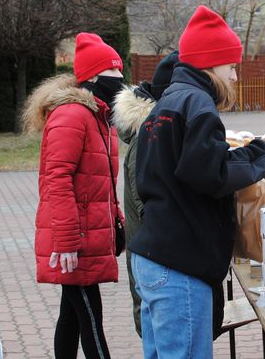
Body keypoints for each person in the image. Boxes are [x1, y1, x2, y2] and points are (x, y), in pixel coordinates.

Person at [129, 5, 265, 358]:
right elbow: (211, 174)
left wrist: (264, 179)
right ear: (210, 64)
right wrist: (263, 153)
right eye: (232, 66)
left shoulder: (167, 103)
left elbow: (188, 174)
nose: (236, 76)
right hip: (180, 266)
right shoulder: (198, 102)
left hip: (154, 258)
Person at [21, 33, 125, 358]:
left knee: (72, 315)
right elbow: (57, 180)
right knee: (91, 317)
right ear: (93, 77)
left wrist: (116, 222)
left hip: (85, 235)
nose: (121, 80)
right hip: (73, 239)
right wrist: (66, 241)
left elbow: (100, 183)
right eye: (113, 73)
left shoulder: (99, 118)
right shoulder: (72, 115)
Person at [111, 50, 179, 338]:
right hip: (157, 268)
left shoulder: (153, 132)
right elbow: (148, 207)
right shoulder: (149, 137)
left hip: (154, 264)